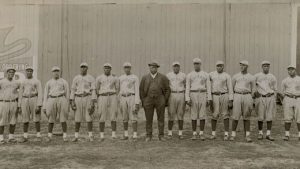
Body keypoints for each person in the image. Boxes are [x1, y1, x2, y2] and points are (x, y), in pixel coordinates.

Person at [140, 61, 170, 142]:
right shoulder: (145, 77)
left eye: (155, 67)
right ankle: (148, 135)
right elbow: (141, 90)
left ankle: (161, 135)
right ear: (149, 68)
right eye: (151, 67)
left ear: (157, 68)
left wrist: (164, 99)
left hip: (160, 99)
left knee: (161, 118)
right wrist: (144, 100)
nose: (153, 68)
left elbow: (167, 89)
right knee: (148, 119)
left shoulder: (163, 77)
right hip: (148, 100)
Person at [185, 58, 212, 141]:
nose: (196, 65)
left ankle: (201, 133)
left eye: (198, 64)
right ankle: (194, 133)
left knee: (202, 114)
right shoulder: (189, 75)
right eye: (195, 64)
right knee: (193, 114)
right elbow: (187, 87)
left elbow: (208, 87)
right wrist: (187, 98)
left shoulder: (205, 74)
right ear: (193, 65)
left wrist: (209, 98)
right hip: (193, 94)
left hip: (203, 93)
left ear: (200, 64)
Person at [70, 62, 97, 142]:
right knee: (77, 118)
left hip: (87, 97)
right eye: (82, 67)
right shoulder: (76, 78)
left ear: (87, 68)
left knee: (89, 117)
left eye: (85, 67)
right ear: (80, 68)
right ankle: (76, 136)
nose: (83, 68)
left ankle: (90, 135)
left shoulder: (91, 78)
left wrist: (93, 101)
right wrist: (72, 101)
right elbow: (73, 90)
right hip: (78, 97)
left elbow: (93, 90)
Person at [230, 61, 256, 142]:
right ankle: (233, 135)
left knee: (246, 116)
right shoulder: (235, 76)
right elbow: (231, 88)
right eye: (240, 65)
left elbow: (253, 88)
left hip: (247, 96)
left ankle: (247, 135)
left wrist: (252, 99)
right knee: (235, 116)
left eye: (244, 65)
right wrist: (231, 100)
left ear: (247, 66)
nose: (242, 66)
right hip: (237, 95)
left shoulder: (251, 77)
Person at [43, 66, 70, 142]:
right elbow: (45, 95)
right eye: (54, 71)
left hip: (61, 98)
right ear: (52, 73)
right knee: (51, 118)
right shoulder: (49, 82)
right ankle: (49, 136)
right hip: (51, 98)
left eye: (57, 71)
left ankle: (65, 136)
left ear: (59, 72)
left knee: (63, 118)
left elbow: (67, 93)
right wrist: (44, 106)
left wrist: (67, 105)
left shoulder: (64, 81)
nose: (56, 73)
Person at [209, 61, 233, 141]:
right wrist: (209, 98)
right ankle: (213, 134)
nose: (219, 67)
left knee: (225, 114)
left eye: (220, 66)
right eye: (218, 66)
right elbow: (208, 86)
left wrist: (230, 100)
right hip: (214, 95)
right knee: (214, 114)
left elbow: (230, 88)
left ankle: (226, 134)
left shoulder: (227, 75)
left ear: (223, 67)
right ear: (216, 66)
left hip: (224, 95)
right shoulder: (211, 74)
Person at [96, 63, 120, 141]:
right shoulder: (99, 78)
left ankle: (113, 135)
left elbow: (117, 88)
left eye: (108, 68)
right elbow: (97, 88)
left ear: (110, 69)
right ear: (103, 69)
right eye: (105, 68)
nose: (107, 69)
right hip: (103, 96)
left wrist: (114, 95)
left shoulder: (114, 77)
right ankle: (102, 135)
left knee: (113, 115)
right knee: (102, 115)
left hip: (112, 96)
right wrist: (99, 97)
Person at [19, 66, 43, 142]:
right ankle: (25, 136)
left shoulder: (36, 81)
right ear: (26, 72)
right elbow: (20, 94)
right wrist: (19, 105)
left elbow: (40, 93)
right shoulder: (23, 82)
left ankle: (38, 135)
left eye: (30, 71)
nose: (29, 72)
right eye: (27, 71)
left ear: (32, 72)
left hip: (34, 98)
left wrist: (39, 105)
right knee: (25, 118)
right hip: (25, 99)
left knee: (36, 118)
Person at [254, 61, 277, 141]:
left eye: (267, 66)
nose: (266, 67)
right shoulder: (257, 76)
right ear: (262, 67)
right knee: (260, 116)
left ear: (269, 67)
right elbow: (253, 86)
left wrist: (274, 98)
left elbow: (274, 88)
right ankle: (260, 133)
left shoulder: (272, 77)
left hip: (270, 97)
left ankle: (268, 134)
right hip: (261, 97)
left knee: (269, 116)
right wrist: (255, 93)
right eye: (264, 66)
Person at [119, 62, 140, 141]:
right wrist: (120, 99)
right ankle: (126, 134)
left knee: (133, 116)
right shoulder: (120, 78)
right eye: (125, 67)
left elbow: (137, 90)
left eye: (128, 67)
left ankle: (135, 135)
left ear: (130, 68)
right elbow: (119, 89)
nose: (127, 69)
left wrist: (137, 102)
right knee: (125, 117)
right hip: (123, 97)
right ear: (123, 69)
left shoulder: (135, 77)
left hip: (132, 96)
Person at [0, 67, 21, 144]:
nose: (11, 74)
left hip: (13, 102)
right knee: (2, 120)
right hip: (3, 102)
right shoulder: (1, 82)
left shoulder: (17, 82)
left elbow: (20, 93)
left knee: (13, 120)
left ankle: (11, 137)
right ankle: (1, 138)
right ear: (6, 73)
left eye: (12, 72)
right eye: (9, 72)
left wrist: (19, 105)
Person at [166, 61, 186, 139]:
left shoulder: (183, 75)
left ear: (179, 67)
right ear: (172, 67)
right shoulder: (168, 75)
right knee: (171, 114)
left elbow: (186, 85)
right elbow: (166, 86)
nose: (176, 68)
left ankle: (180, 133)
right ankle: (170, 133)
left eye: (177, 66)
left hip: (181, 94)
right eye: (174, 66)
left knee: (180, 114)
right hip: (172, 94)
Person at [281, 64, 300, 141]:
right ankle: (287, 134)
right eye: (289, 70)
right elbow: (282, 91)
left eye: (292, 69)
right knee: (287, 117)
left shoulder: (299, 79)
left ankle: (299, 135)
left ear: (295, 70)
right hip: (288, 98)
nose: (290, 71)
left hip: (298, 98)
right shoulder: (285, 80)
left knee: (299, 117)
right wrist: (284, 100)